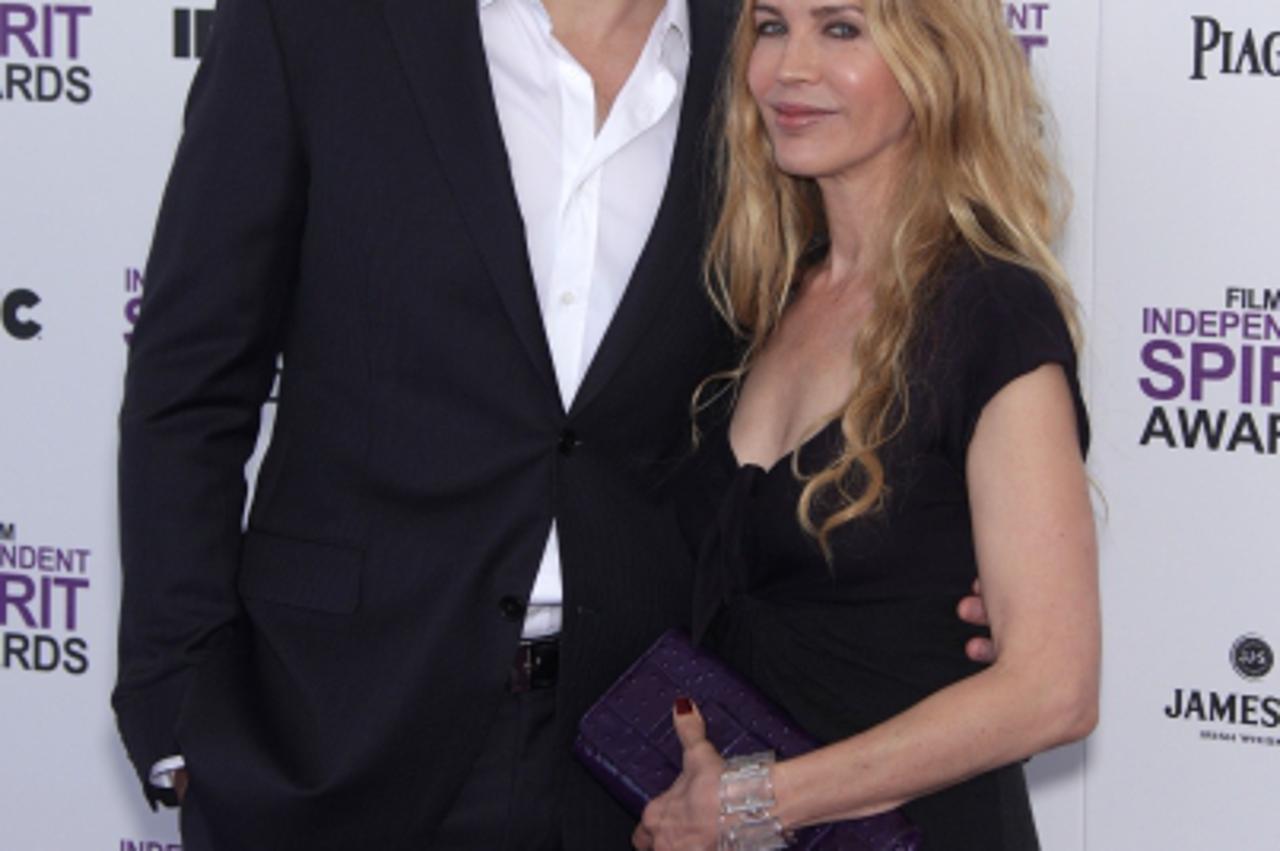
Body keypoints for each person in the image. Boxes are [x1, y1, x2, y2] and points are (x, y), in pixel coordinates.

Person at [113, 0, 994, 848]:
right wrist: (178, 711)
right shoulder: (318, 20)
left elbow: (871, 315)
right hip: (331, 726)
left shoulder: (766, 48)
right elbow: (193, 374)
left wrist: (983, 555)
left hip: (642, 754)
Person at [635, 0, 1099, 849]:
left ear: (935, 63)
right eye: (771, 26)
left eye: (841, 28)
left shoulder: (990, 311)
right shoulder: (762, 300)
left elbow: (1053, 689)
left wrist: (759, 800)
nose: (790, 68)